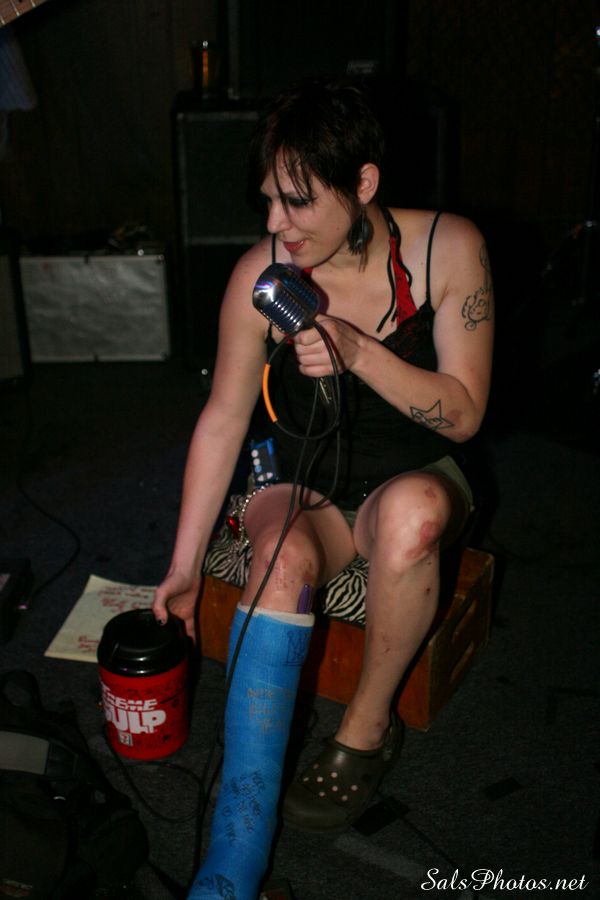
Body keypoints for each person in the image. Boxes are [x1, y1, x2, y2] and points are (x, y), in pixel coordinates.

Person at [153, 78, 494, 899]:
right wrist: (184, 566)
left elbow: (464, 416)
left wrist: (357, 351)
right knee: (276, 557)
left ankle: (365, 731)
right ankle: (236, 848)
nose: (277, 223)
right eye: (269, 199)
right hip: (303, 482)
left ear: (363, 182)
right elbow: (223, 420)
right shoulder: (261, 274)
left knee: (413, 518)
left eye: (299, 201)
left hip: (416, 473)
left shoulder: (448, 248)